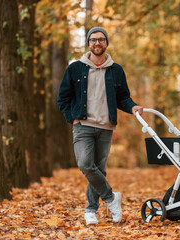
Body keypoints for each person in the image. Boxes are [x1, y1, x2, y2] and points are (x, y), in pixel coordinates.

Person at [57, 27, 143, 225]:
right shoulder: (75, 68)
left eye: (101, 39)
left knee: (99, 170)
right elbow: (62, 98)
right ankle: (111, 198)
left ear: (106, 43)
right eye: (93, 39)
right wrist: (73, 118)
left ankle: (91, 211)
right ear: (88, 43)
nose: (97, 43)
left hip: (106, 126)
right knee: (85, 164)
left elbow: (123, 98)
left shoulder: (116, 70)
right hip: (83, 125)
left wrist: (133, 107)